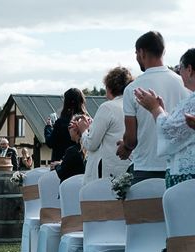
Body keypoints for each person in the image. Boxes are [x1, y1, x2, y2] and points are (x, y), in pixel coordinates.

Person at [116, 31, 189, 184]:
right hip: (179, 167)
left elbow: (131, 140)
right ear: (163, 51)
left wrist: (125, 146)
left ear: (141, 52)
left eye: (136, 53)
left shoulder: (133, 89)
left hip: (146, 167)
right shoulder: (184, 84)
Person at [134, 48, 195, 188]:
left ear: (189, 69)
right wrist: (164, 113)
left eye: (180, 68)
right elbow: (182, 130)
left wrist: (155, 109)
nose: (179, 73)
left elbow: (170, 132)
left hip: (186, 176)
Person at [76, 67, 134, 183]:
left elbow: (91, 144)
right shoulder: (134, 106)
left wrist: (83, 131)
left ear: (109, 87)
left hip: (106, 173)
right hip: (128, 168)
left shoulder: (107, 108)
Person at [45, 88, 88, 162]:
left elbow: (51, 142)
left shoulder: (61, 122)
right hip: (80, 163)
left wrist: (48, 128)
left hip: (60, 164)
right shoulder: (86, 121)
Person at [52, 114, 86, 182]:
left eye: (70, 126)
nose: (68, 130)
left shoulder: (72, 151)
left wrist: (56, 166)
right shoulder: (89, 149)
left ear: (76, 129)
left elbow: (62, 173)